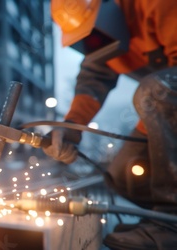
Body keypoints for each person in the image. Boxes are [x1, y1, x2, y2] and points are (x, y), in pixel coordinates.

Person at [48, 0, 177, 249]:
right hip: (169, 99)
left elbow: (166, 93)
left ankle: (171, 225)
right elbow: (93, 77)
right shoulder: (106, 37)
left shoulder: (157, 5)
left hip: (166, 95)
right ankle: (161, 219)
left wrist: (154, 120)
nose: (94, 39)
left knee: (153, 91)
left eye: (94, 30)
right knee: (123, 175)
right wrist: (72, 125)